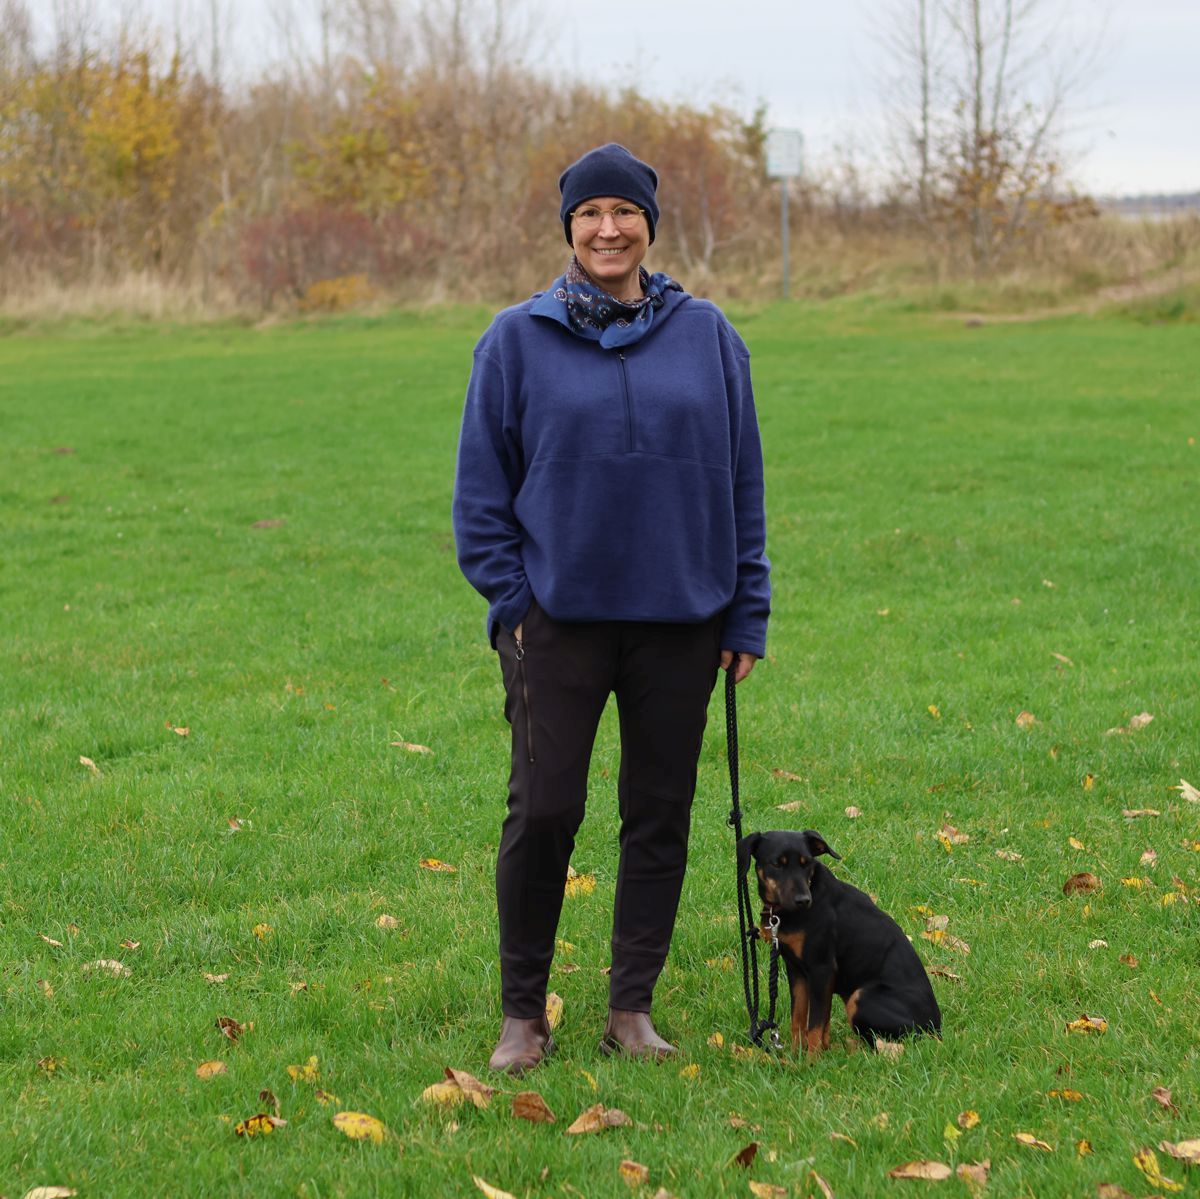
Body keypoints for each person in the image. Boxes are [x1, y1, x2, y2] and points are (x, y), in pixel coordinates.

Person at [452, 143, 770, 1074]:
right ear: (568, 228)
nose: (607, 228)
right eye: (589, 213)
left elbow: (742, 481)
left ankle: (630, 1006)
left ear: (648, 226)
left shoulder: (709, 335)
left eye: (623, 212)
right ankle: (523, 1015)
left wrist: (745, 610)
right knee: (545, 808)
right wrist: (515, 604)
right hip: (558, 619)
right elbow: (481, 496)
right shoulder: (516, 339)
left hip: (683, 617)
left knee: (660, 812)